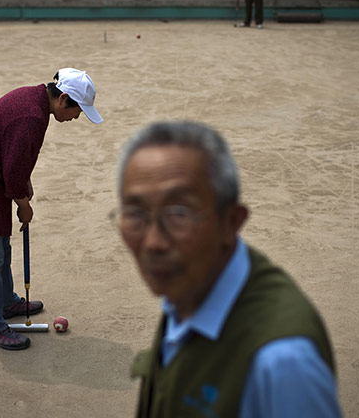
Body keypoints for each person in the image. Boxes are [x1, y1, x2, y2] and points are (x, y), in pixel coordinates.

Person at [111, 121, 341, 416]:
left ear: (231, 222)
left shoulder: (283, 365)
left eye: (179, 213)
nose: (153, 243)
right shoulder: (189, 288)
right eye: (135, 213)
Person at [0, 68, 102, 350]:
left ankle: (4, 303)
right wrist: (24, 205)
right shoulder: (31, 117)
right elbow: (14, 168)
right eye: (78, 111)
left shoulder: (35, 100)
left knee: (0, 248)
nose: (77, 117)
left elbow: (14, 157)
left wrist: (24, 184)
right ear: (64, 99)